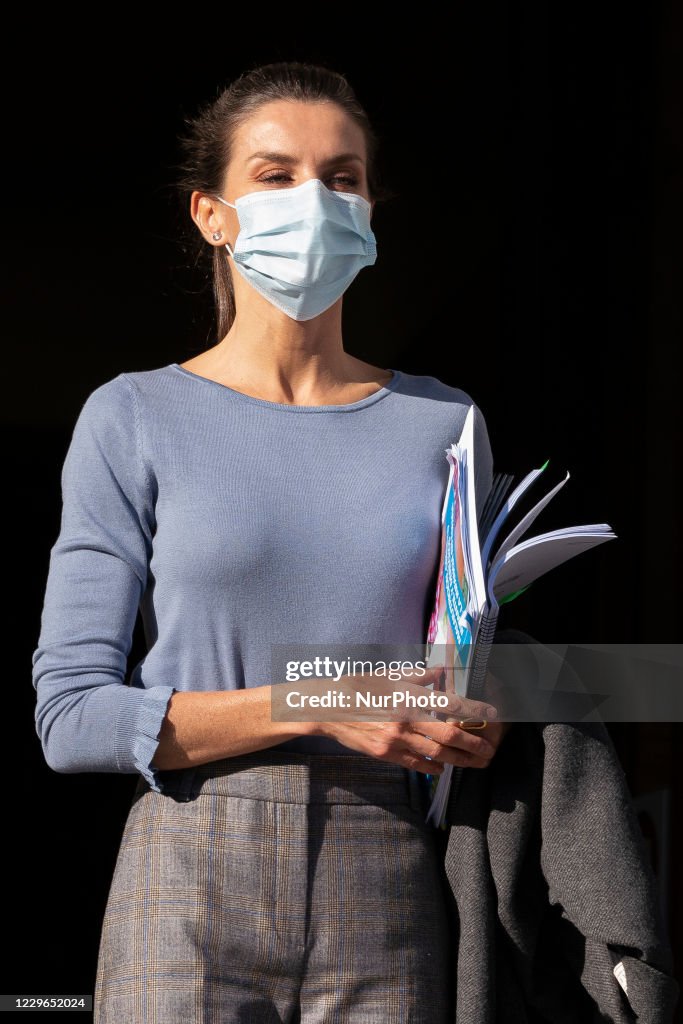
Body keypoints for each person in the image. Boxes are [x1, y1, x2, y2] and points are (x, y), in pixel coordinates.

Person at [31, 61, 513, 1024]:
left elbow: (462, 659)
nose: (314, 200)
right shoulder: (133, 416)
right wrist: (321, 700)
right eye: (275, 174)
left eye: (342, 177)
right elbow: (72, 719)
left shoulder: (444, 423)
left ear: (371, 211)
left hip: (388, 880)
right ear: (211, 214)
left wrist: (479, 718)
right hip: (188, 867)